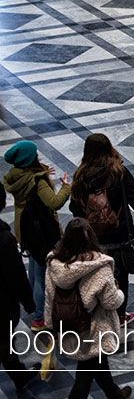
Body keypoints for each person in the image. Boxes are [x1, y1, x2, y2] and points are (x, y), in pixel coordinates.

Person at [44, 219, 132, 399]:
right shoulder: (99, 266)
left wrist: (51, 327)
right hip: (94, 329)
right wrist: (120, 293)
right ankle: (113, 397)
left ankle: (116, 397)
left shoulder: (54, 263)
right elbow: (110, 302)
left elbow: (50, 297)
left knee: (97, 365)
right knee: (85, 376)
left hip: (70, 327)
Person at [68, 133, 134, 326]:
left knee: (96, 273)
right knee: (120, 273)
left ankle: (98, 310)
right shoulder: (118, 172)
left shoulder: (80, 175)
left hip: (93, 236)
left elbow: (74, 208)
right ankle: (119, 314)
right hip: (120, 233)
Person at [2, 139, 70, 331]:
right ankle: (39, 318)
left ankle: (34, 306)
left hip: (25, 231)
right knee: (42, 275)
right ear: (31, 159)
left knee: (33, 269)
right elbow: (54, 203)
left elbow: (30, 181)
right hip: (41, 234)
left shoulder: (17, 177)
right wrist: (66, 187)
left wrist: (42, 173)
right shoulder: (37, 181)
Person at [1, 188, 36, 392]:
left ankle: (19, 375)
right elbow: (15, 276)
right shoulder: (4, 239)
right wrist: (28, 302)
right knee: (3, 341)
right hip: (2, 304)